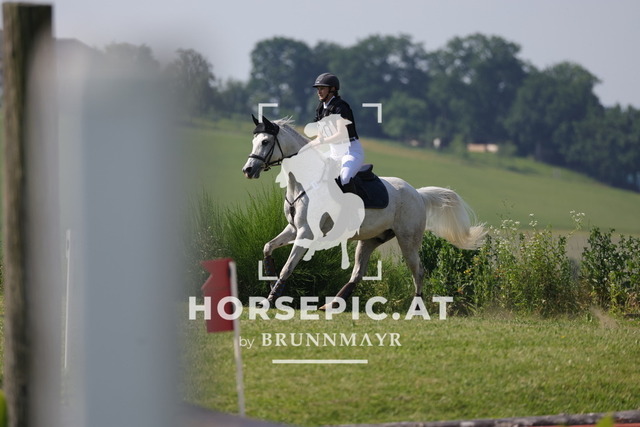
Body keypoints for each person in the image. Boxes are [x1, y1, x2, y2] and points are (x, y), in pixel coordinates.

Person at [311, 72, 364, 194]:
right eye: (318, 89)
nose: (319, 92)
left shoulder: (341, 107)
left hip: (351, 151)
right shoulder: (320, 108)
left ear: (332, 89)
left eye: (322, 88)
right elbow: (320, 135)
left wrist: (321, 141)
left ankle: (353, 204)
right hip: (333, 152)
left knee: (344, 178)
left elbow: (341, 134)